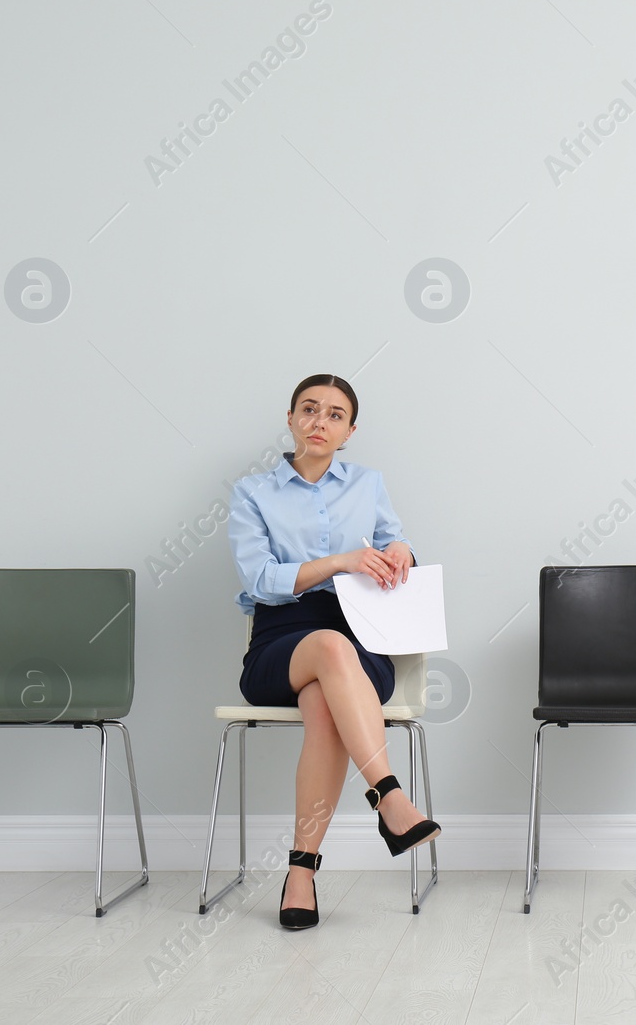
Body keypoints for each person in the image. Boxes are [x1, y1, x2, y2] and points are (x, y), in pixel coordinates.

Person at [228, 373, 440, 930]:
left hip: (361, 639)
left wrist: (401, 550)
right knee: (325, 645)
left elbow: (397, 547)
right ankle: (390, 797)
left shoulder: (368, 484)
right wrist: (341, 561)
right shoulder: (252, 492)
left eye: (335, 414)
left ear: (348, 431)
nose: (320, 421)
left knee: (324, 704)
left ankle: (301, 873)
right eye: (310, 409)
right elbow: (260, 578)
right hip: (282, 641)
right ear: (292, 418)